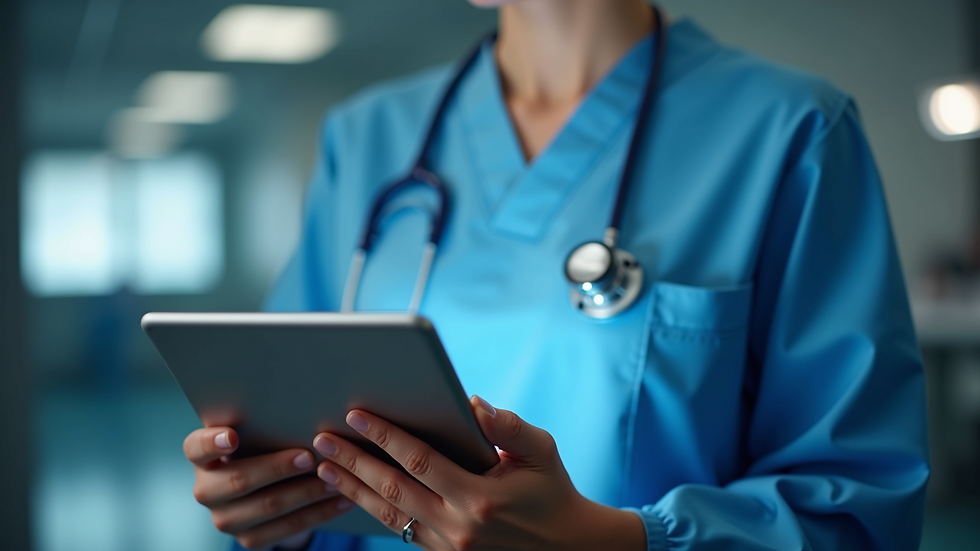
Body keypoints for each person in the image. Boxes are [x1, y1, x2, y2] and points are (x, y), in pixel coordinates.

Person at [181, 1, 930, 550]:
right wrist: (268, 502)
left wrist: (621, 542)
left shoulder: (790, 130)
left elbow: (858, 506)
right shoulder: (367, 137)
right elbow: (287, 419)